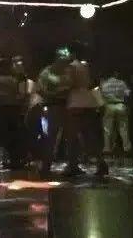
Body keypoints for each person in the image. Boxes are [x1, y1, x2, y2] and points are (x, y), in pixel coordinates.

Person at [64, 60, 108, 176]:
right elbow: (93, 84)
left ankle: (72, 165)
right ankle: (101, 162)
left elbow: (69, 84)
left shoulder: (71, 67)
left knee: (72, 137)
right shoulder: (87, 66)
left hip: (75, 104)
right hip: (89, 102)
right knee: (90, 136)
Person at [35, 47, 74, 176]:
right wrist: (55, 94)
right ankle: (46, 165)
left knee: (71, 137)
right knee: (51, 137)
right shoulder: (47, 72)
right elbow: (40, 89)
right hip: (54, 106)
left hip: (69, 106)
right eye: (62, 58)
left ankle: (72, 165)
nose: (64, 60)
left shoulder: (69, 71)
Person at [101, 71, 132, 155]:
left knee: (107, 129)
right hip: (120, 105)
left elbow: (101, 95)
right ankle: (127, 148)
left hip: (109, 106)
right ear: (116, 74)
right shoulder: (121, 83)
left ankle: (107, 148)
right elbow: (128, 94)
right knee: (123, 128)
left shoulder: (104, 84)